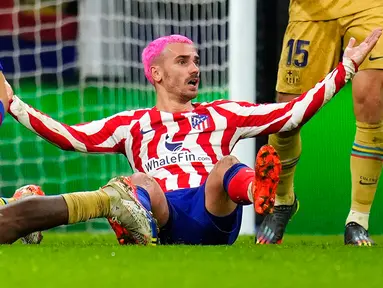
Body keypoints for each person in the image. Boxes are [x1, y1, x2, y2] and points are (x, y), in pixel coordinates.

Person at [0, 29, 380, 245]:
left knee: (226, 166)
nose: (194, 68)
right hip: (165, 214)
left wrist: (344, 70)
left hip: (214, 208)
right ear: (157, 74)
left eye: (196, 60)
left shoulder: (223, 114)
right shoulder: (132, 123)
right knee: (141, 183)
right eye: (183, 61)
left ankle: (258, 191)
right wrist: (14, 103)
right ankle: (134, 219)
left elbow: (290, 114)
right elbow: (71, 137)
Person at [256, 1, 383, 246]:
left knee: (371, 101)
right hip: (311, 9)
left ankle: (358, 220)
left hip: (371, 6)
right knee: (287, 117)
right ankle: (283, 201)